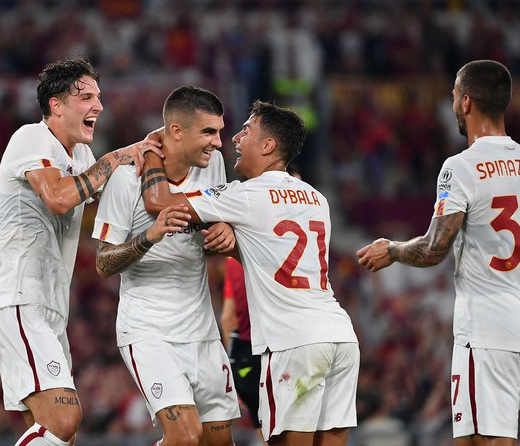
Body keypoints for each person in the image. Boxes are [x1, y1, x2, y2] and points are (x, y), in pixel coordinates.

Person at [357, 60, 520, 446]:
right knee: (469, 437)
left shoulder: (461, 167)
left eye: (452, 95)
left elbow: (434, 249)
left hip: (487, 324)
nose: (451, 103)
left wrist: (394, 249)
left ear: (466, 102)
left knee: (493, 438)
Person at [141, 100, 359, 446]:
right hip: (340, 337)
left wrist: (152, 149)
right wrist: (232, 244)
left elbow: (158, 200)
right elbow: (273, 259)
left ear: (268, 145)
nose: (236, 139)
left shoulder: (245, 194)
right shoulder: (316, 198)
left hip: (292, 342)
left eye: (247, 131)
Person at [0, 57, 164, 446]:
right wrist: (115, 157)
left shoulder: (79, 156)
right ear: (56, 105)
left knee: (60, 433)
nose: (98, 106)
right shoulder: (32, 137)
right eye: (85, 97)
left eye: (99, 97)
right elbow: (61, 197)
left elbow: (109, 188)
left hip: (49, 307)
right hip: (19, 298)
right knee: (65, 418)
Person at [91, 86, 240, 446]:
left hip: (202, 331)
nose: (218, 143)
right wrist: (150, 236)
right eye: (208, 132)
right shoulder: (126, 178)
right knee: (185, 436)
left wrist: (223, 230)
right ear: (176, 131)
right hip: (149, 331)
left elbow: (202, 234)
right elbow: (103, 263)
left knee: (217, 443)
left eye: (219, 132)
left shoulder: (213, 166)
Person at [219, 164, 301, 446]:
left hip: (244, 355)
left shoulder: (235, 252)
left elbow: (228, 315)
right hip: (279, 348)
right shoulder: (292, 250)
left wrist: (231, 361)